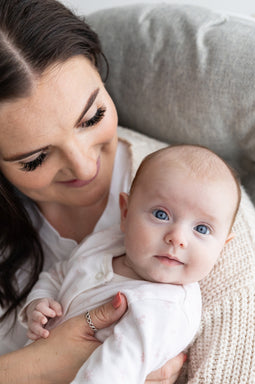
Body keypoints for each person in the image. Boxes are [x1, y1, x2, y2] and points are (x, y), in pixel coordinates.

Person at [0, 0, 255, 383]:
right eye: (35, 158)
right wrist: (36, 368)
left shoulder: (208, 209)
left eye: (93, 117)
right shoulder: (97, 248)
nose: (84, 166)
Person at [19, 145, 240, 383]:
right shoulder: (105, 243)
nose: (177, 238)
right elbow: (60, 273)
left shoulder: (164, 308)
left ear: (222, 247)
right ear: (125, 213)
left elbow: (113, 372)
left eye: (202, 229)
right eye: (161, 214)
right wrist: (39, 302)